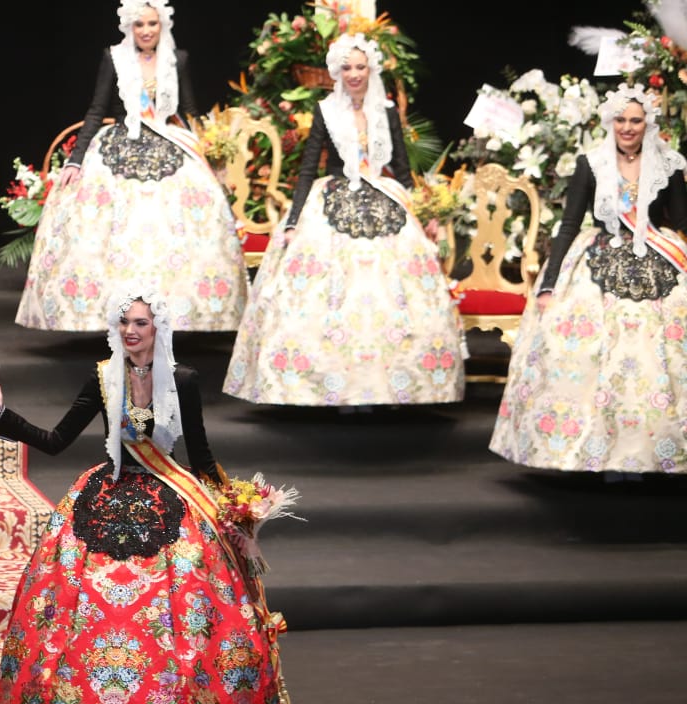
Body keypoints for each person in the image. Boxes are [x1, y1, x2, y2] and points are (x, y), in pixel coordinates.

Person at [0, 290, 284, 704]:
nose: (131, 331)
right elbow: (56, 441)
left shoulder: (183, 379)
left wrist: (237, 515)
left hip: (172, 497)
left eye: (140, 322)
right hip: (105, 497)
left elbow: (201, 455)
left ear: (158, 328)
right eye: (124, 322)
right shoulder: (103, 376)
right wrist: (0, 416)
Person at [224, 34, 463, 407]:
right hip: (332, 198)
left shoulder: (386, 112)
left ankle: (389, 386)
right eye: (347, 67)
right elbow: (308, 169)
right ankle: (328, 386)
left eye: (360, 67)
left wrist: (422, 214)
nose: (354, 74)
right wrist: (294, 221)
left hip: (384, 197)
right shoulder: (326, 110)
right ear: (337, 71)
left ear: (371, 70)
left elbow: (402, 170)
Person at [15, 2, 247, 333]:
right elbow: (96, 110)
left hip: (169, 144)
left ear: (162, 24)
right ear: (129, 27)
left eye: (152, 23)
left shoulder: (177, 59)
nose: (146, 30)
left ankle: (178, 312)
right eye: (140, 24)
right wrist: (76, 159)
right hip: (119, 145)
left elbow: (190, 110)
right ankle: (110, 312)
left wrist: (210, 153)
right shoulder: (114, 58)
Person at [490, 84, 687, 474]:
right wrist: (549, 284)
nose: (627, 127)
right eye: (621, 120)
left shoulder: (668, 164)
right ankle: (599, 453)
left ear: (648, 123)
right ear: (609, 122)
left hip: (658, 259)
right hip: (597, 262)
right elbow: (568, 225)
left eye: (635, 120)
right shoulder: (590, 163)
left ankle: (652, 453)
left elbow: (681, 221)